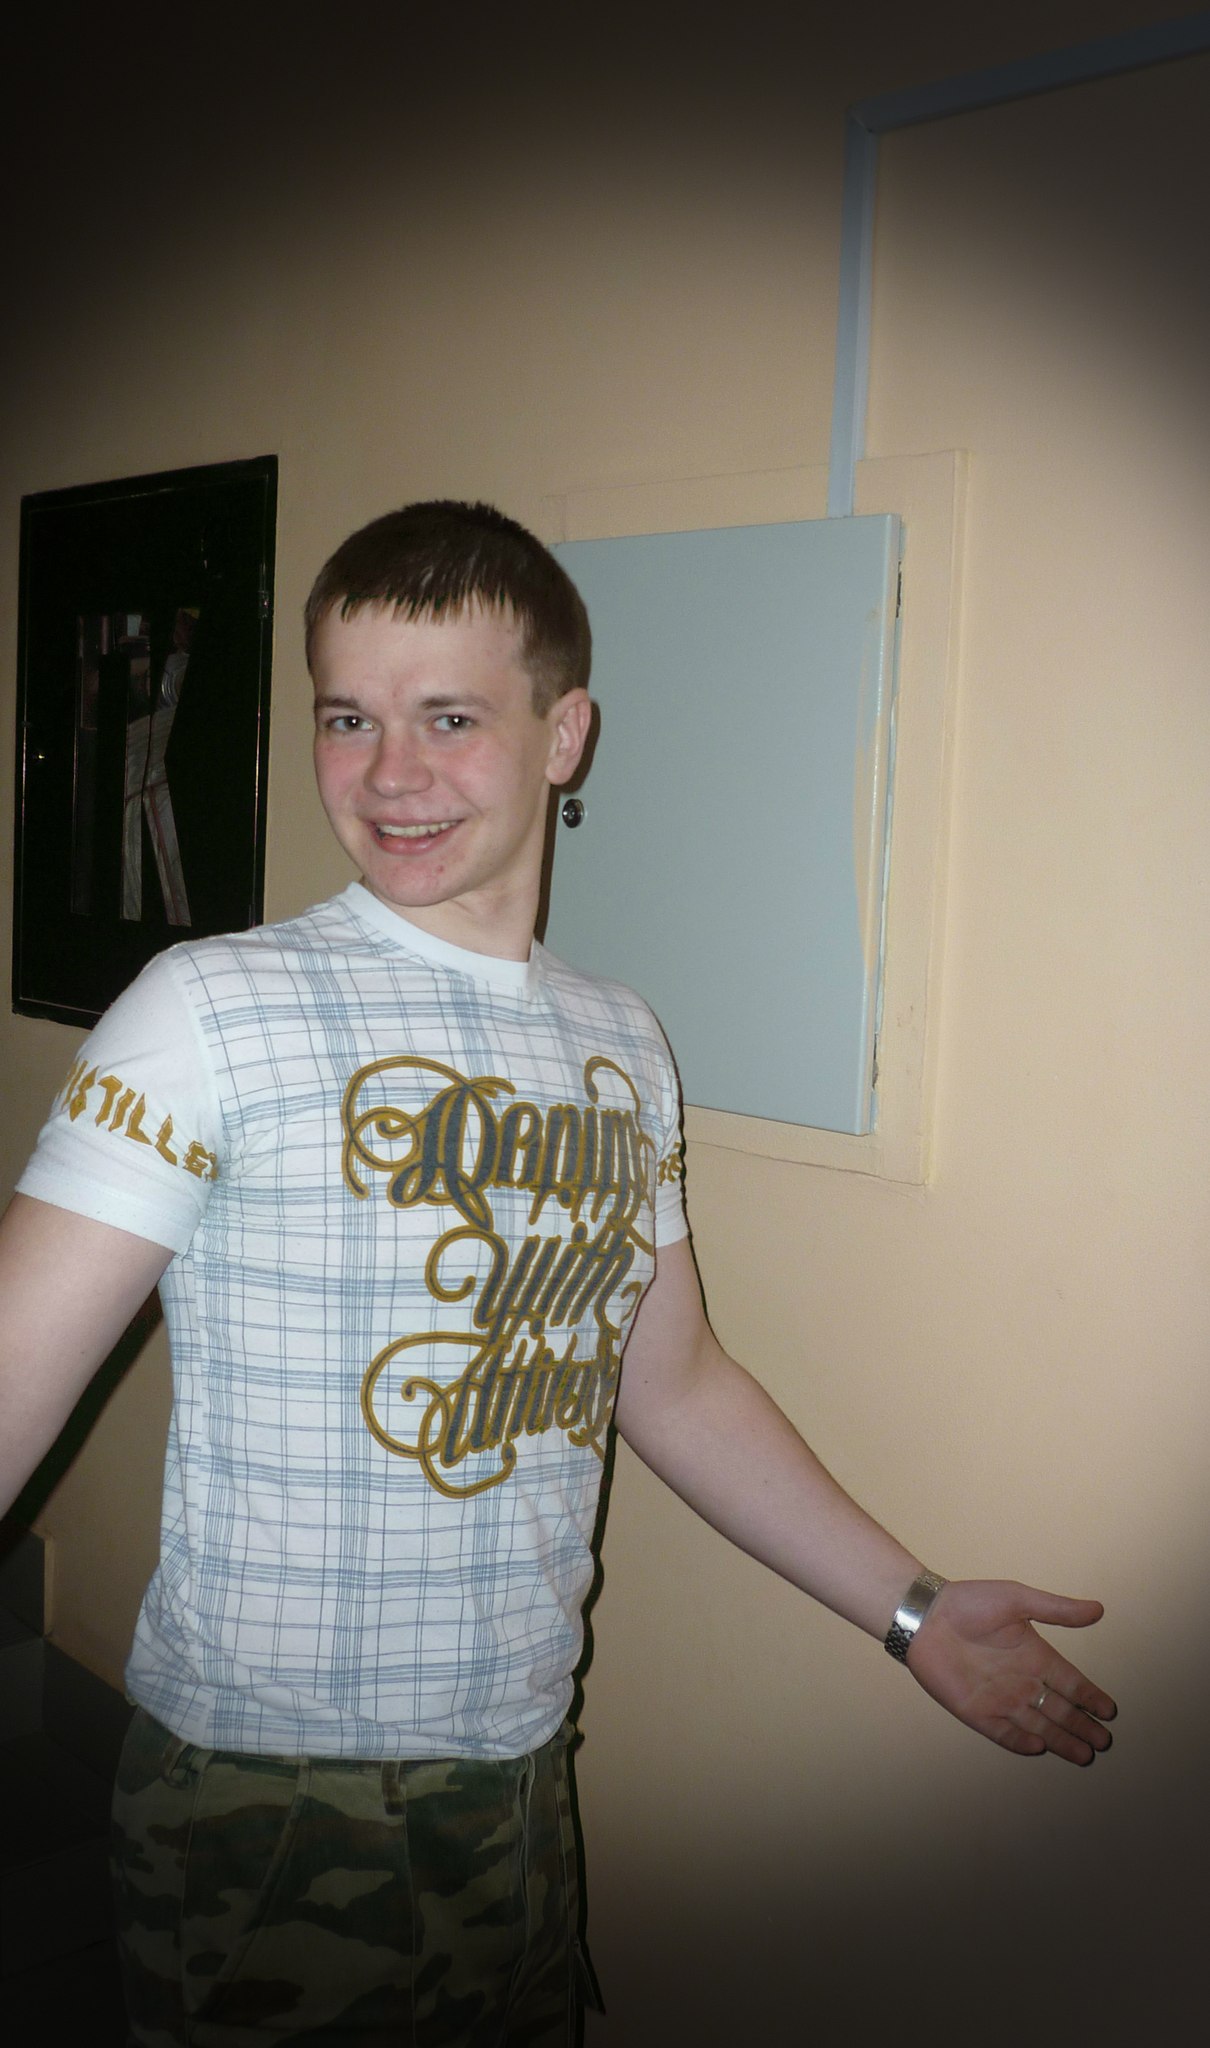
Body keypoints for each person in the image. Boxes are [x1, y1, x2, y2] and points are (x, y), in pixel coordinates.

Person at [0, 500, 1116, 2048]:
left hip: (522, 1776)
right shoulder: (209, 1012)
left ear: (562, 734)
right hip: (270, 1797)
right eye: (348, 717)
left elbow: (675, 1382)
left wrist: (914, 1615)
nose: (389, 774)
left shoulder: (617, 1043)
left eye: (448, 717)